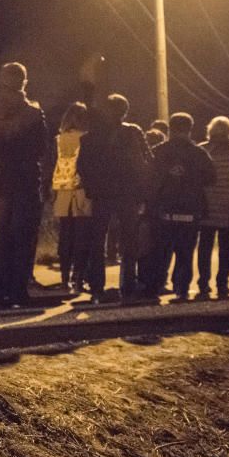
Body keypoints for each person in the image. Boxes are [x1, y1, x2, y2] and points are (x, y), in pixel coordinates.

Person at [0, 62, 49, 307]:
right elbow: (41, 149)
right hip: (26, 182)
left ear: (1, 81)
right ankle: (18, 291)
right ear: (24, 82)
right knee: (24, 238)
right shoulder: (33, 112)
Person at [77, 93, 152, 303]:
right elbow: (145, 162)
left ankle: (97, 285)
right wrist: (143, 191)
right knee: (129, 239)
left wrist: (91, 186)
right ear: (125, 111)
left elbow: (82, 165)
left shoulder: (92, 135)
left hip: (101, 193)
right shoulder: (133, 132)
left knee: (97, 239)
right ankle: (128, 284)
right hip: (127, 193)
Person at [145, 112, 216, 301]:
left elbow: (148, 178)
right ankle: (182, 289)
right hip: (190, 210)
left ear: (170, 128)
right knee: (185, 253)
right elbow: (211, 178)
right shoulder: (199, 153)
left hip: (163, 210)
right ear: (190, 129)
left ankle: (155, 287)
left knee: (160, 251)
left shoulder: (158, 151)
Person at [197, 116, 229, 299]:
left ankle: (203, 284)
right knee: (226, 248)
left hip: (206, 205)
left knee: (205, 246)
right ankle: (222, 284)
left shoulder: (202, 149)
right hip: (228, 205)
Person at [51, 102, 92, 294]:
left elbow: (51, 164)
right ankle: (78, 278)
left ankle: (64, 278)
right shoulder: (87, 139)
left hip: (62, 191)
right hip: (82, 189)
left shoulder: (58, 139)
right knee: (82, 237)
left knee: (65, 236)